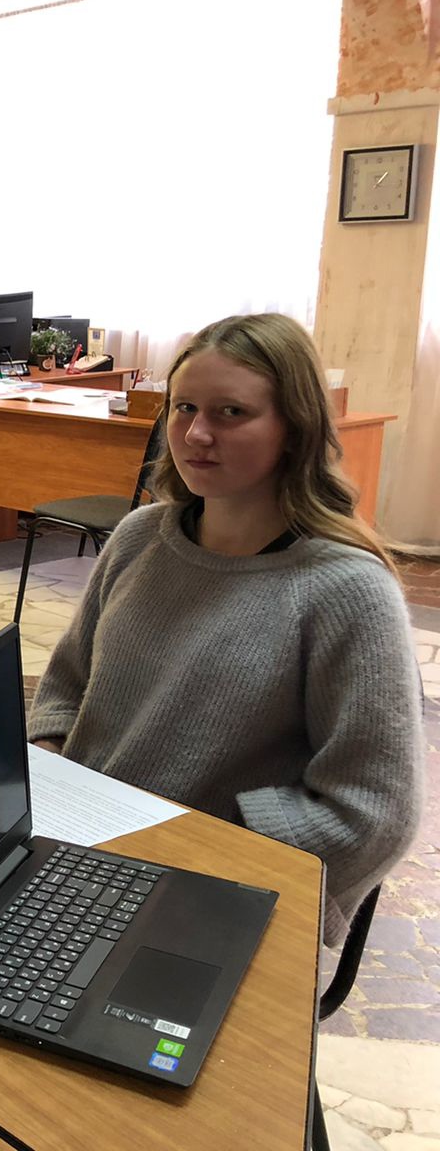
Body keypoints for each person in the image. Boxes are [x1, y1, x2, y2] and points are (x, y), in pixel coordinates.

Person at [27, 313, 423, 944]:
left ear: (294, 429)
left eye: (231, 413)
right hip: (76, 852)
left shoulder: (346, 590)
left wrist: (210, 842)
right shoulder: (139, 538)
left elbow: (373, 814)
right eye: (184, 408)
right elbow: (66, 686)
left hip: (208, 895)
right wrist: (48, 765)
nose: (196, 434)